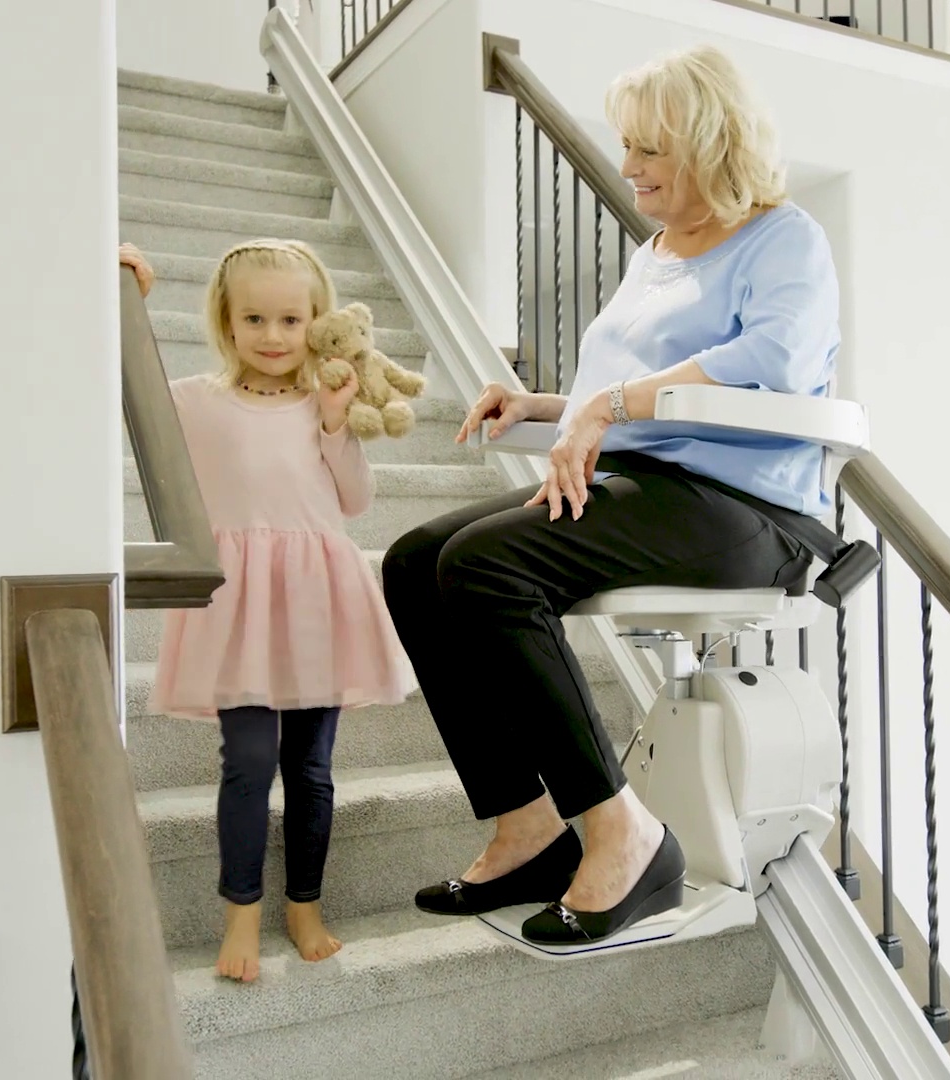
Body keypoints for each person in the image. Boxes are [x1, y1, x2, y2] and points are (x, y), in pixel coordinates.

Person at [381, 44, 841, 945]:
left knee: (485, 565)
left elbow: (775, 364)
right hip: (651, 480)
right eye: (626, 145)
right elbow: (634, 391)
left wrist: (607, 405)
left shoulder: (786, 239)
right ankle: (527, 824)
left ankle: (625, 833)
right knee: (413, 562)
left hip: (752, 509)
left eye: (650, 150)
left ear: (711, 145)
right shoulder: (658, 249)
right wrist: (549, 406)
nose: (628, 166)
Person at [123, 239, 417, 980]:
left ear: (318, 321)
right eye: (254, 318)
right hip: (239, 607)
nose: (274, 335)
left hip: (317, 598)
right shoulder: (195, 400)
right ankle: (242, 915)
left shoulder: (326, 404)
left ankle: (306, 906)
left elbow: (354, 500)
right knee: (249, 762)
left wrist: (335, 423)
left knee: (311, 769)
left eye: (291, 319)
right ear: (226, 321)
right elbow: (113, 379)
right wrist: (123, 293)